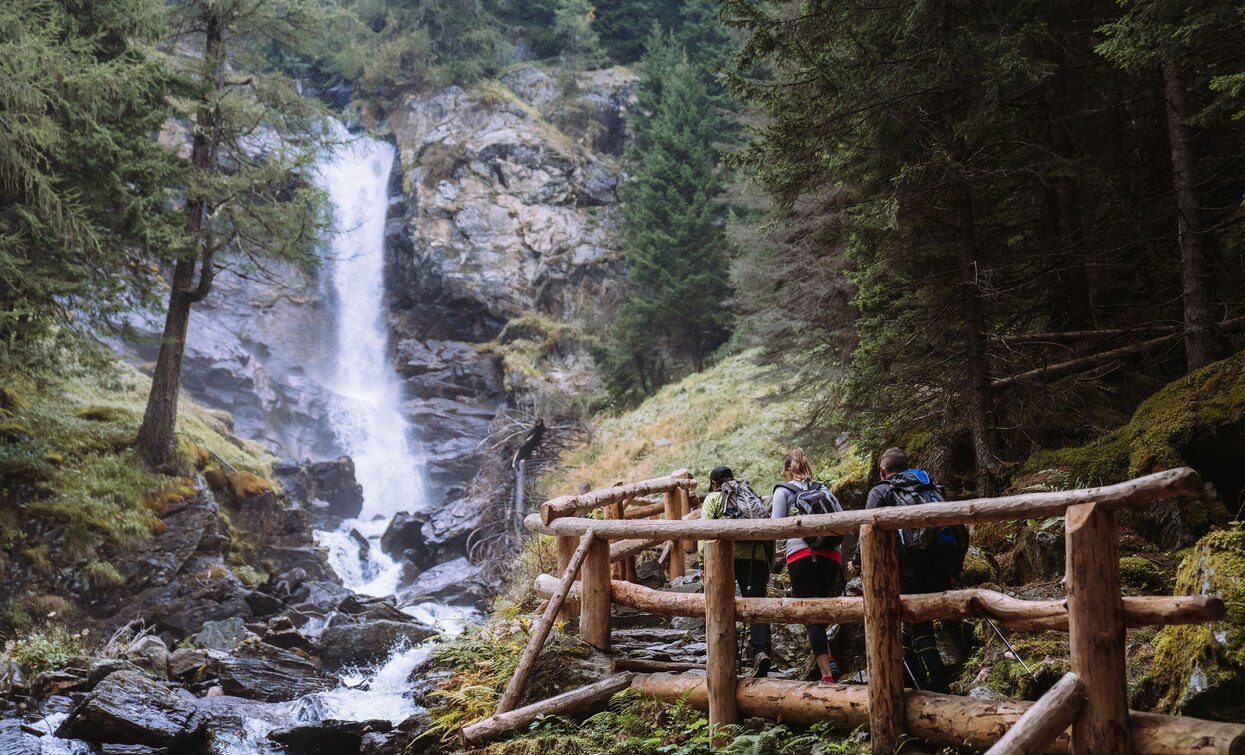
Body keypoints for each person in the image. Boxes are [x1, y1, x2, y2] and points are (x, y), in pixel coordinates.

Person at [847, 447, 951, 693]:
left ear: (883, 470)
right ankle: (911, 680)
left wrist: (856, 562)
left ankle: (939, 686)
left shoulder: (882, 491)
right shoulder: (927, 487)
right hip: (938, 564)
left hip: (905, 568)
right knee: (909, 623)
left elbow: (868, 528)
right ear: (906, 467)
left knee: (920, 627)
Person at [771, 448, 842, 683]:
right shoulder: (823, 489)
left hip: (802, 557)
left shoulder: (784, 491)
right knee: (821, 608)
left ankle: (827, 675)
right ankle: (829, 657)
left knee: (810, 614)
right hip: (832, 557)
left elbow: (776, 528)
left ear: (788, 471)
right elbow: (842, 519)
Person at [700, 465, 774, 677]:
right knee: (757, 602)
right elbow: (769, 529)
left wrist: (703, 564)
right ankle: (761, 651)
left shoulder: (713, 499)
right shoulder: (749, 496)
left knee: (721, 603)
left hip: (724, 558)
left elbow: (704, 531)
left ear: (714, 483)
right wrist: (768, 562)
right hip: (755, 557)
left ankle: (726, 654)